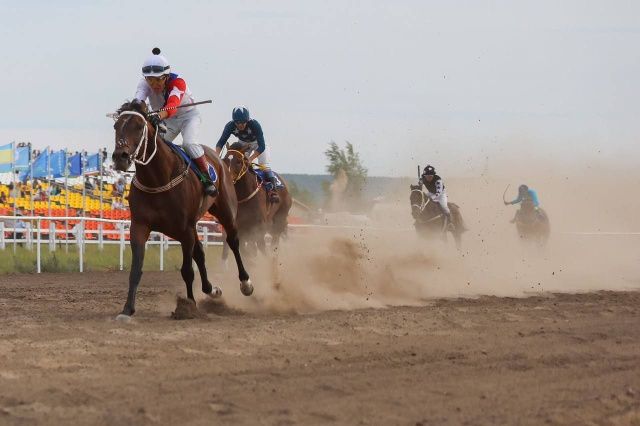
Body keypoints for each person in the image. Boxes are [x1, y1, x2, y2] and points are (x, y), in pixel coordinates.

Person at [133, 47, 217, 197]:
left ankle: (207, 178)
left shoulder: (178, 82)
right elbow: (138, 102)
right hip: (168, 120)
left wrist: (158, 116)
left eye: (158, 79)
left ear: (166, 76)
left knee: (189, 144)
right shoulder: (143, 84)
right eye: (150, 79)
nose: (154, 84)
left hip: (188, 117)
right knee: (155, 145)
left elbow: (172, 105)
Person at [215, 106, 279, 203]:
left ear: (247, 120)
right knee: (239, 163)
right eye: (237, 122)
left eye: (243, 122)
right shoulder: (230, 126)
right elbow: (221, 143)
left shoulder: (255, 124)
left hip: (258, 144)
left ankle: (273, 191)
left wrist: (251, 158)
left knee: (263, 165)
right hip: (243, 143)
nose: (240, 125)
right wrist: (216, 156)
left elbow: (261, 146)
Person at [420, 165, 454, 230]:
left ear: (433, 175)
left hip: (441, 194)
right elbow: (420, 185)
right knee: (422, 201)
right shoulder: (423, 179)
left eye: (431, 176)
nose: (429, 178)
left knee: (444, 207)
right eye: (427, 176)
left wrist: (432, 198)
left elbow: (438, 193)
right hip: (431, 193)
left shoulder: (438, 180)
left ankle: (450, 223)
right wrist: (420, 184)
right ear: (425, 176)